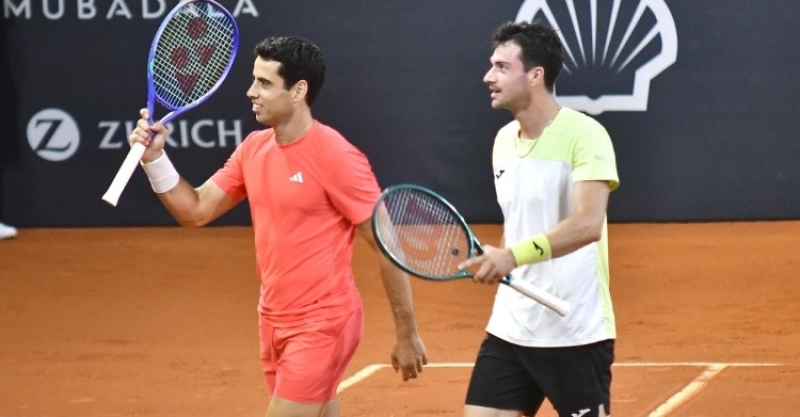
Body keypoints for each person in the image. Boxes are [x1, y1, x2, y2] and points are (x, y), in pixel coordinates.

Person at [128, 36, 427, 417]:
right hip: (272, 319)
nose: (251, 92)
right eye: (254, 80)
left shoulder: (336, 155)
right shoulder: (253, 148)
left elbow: (387, 244)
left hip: (324, 324)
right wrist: (155, 160)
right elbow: (196, 210)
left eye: (265, 83)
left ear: (298, 90)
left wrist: (407, 332)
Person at [459, 21, 619, 417]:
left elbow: (587, 224)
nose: (488, 77)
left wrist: (512, 256)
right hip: (511, 328)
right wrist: (499, 257)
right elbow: (521, 222)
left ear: (534, 75)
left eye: (500, 67)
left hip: (575, 331)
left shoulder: (586, 134)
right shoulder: (502, 142)